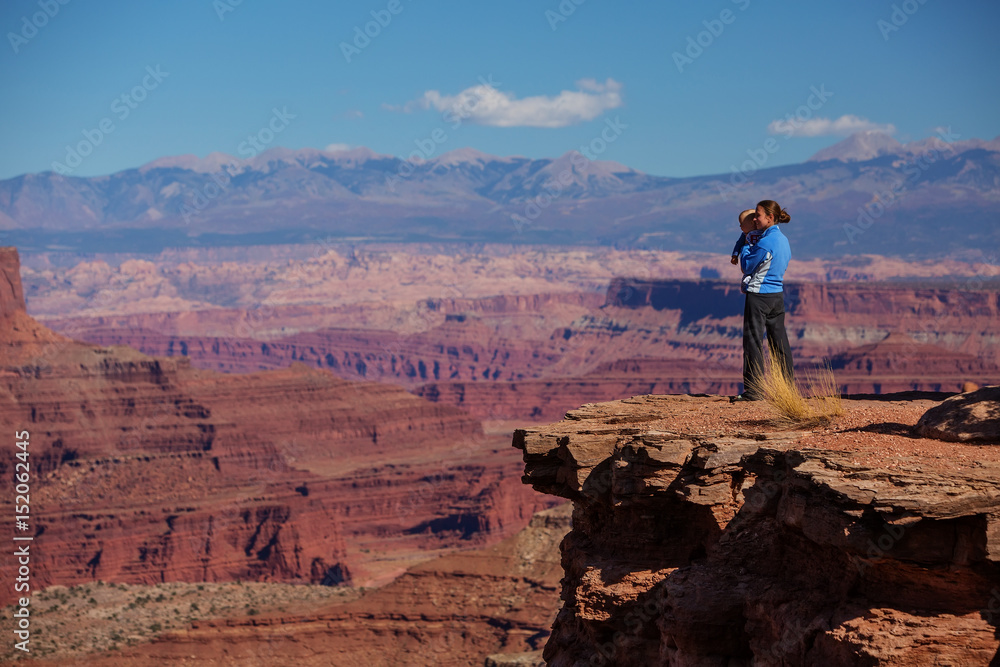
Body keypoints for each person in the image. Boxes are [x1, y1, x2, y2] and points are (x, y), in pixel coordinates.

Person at [730, 199, 794, 402]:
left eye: (757, 215)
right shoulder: (783, 240)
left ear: (770, 217)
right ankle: (787, 389)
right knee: (779, 343)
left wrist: (748, 243)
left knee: (753, 342)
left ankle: (754, 391)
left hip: (759, 296)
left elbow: (747, 265)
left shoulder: (765, 241)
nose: (755, 219)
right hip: (777, 295)